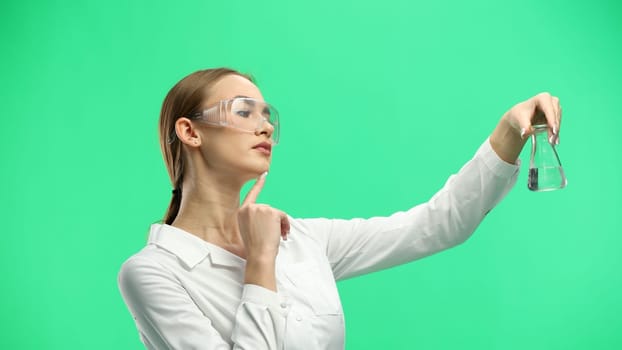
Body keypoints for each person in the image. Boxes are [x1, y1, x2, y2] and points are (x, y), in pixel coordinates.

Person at [117, 67, 562, 349]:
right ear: (190, 132)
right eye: (245, 112)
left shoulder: (303, 239)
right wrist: (261, 261)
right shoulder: (153, 273)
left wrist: (509, 131)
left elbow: (436, 224)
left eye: (268, 114)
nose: (266, 125)